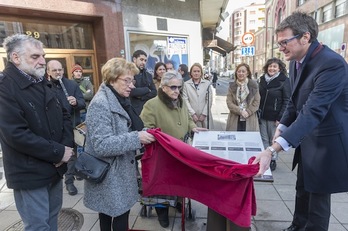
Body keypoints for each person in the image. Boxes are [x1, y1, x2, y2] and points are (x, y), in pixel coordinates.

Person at [253, 12, 348, 231]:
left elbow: (313, 111)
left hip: (327, 145)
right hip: (307, 139)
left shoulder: (332, 64)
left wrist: (273, 149)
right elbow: (295, 103)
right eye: (279, 43)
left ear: (305, 37)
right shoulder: (297, 61)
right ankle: (296, 226)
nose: (281, 48)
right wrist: (282, 127)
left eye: (284, 42)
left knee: (317, 200)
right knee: (302, 189)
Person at [0, 34, 74, 230]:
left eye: (43, 55)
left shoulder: (41, 80)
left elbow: (65, 115)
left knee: (52, 221)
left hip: (55, 168)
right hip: (30, 173)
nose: (42, 61)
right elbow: (16, 134)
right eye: (35, 56)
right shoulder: (4, 87)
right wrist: (58, 152)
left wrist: (65, 149)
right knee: (37, 226)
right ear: (16, 58)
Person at [83, 57, 155, 231]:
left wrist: (144, 132)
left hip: (117, 172)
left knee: (111, 213)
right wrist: (137, 138)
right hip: (109, 174)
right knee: (116, 215)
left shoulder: (119, 98)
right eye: (127, 81)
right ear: (112, 79)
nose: (132, 85)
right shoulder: (101, 104)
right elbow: (101, 144)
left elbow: (130, 126)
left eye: (133, 81)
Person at [140, 70, 207, 228]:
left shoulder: (181, 100)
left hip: (182, 150)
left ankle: (177, 201)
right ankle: (162, 212)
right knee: (162, 185)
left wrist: (192, 127)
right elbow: (146, 129)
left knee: (180, 181)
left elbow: (188, 118)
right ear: (163, 87)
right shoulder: (151, 105)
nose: (177, 90)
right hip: (162, 154)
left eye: (179, 87)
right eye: (173, 87)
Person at [47, 60, 86, 196]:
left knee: (71, 154)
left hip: (71, 126)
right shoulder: (45, 86)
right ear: (48, 72)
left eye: (60, 70)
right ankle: (56, 180)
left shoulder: (71, 84)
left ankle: (69, 181)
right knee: (56, 155)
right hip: (53, 128)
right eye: (54, 70)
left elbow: (82, 103)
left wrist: (76, 102)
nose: (58, 73)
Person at [258, 58, 290, 171]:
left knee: (274, 140)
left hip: (275, 117)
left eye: (274, 66)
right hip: (262, 115)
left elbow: (287, 100)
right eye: (270, 66)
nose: (272, 68)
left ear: (279, 68)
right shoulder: (262, 80)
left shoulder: (284, 81)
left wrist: (280, 117)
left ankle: (272, 160)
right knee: (264, 139)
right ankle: (264, 158)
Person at [226, 63, 260, 132]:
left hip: (249, 117)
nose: (241, 73)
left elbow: (256, 101)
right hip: (235, 117)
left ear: (247, 73)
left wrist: (248, 111)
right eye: (239, 71)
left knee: (249, 140)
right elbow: (229, 102)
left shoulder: (253, 85)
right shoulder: (232, 86)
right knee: (234, 140)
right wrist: (240, 111)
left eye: (243, 71)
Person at [182, 63, 213, 128]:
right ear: (191, 73)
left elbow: (209, 100)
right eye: (194, 71)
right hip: (191, 116)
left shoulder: (207, 84)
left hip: (205, 116)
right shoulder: (186, 84)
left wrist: (204, 114)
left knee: (207, 135)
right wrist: (192, 114)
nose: (196, 73)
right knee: (193, 135)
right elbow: (185, 100)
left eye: (198, 71)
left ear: (201, 73)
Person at [130, 50, 157, 115]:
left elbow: (154, 92)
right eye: (141, 60)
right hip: (134, 110)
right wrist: (147, 89)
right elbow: (132, 92)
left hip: (147, 108)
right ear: (134, 59)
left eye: (145, 60)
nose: (143, 62)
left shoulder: (148, 75)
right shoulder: (129, 74)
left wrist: (141, 97)